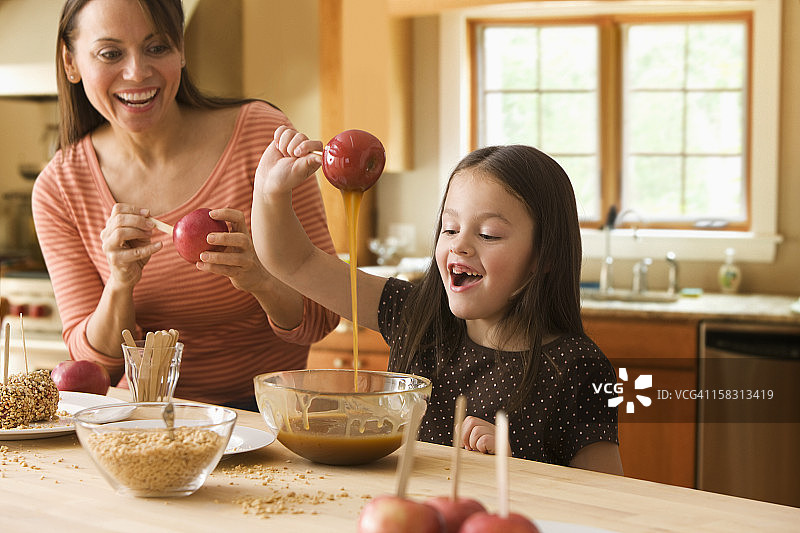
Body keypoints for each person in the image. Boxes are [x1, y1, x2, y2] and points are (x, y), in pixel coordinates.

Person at [250, 126, 624, 474]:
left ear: (544, 257)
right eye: (450, 228)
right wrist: (271, 192)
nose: (460, 244)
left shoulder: (579, 370)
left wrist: (520, 469)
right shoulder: (415, 316)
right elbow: (295, 262)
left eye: (489, 234)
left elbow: (610, 500)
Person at [31, 0, 339, 410]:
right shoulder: (60, 187)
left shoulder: (261, 138)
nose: (137, 72)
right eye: (111, 53)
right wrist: (121, 284)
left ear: (181, 50)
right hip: (144, 421)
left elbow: (322, 316)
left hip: (270, 423)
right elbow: (94, 367)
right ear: (71, 63)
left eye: (156, 47)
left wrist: (261, 278)